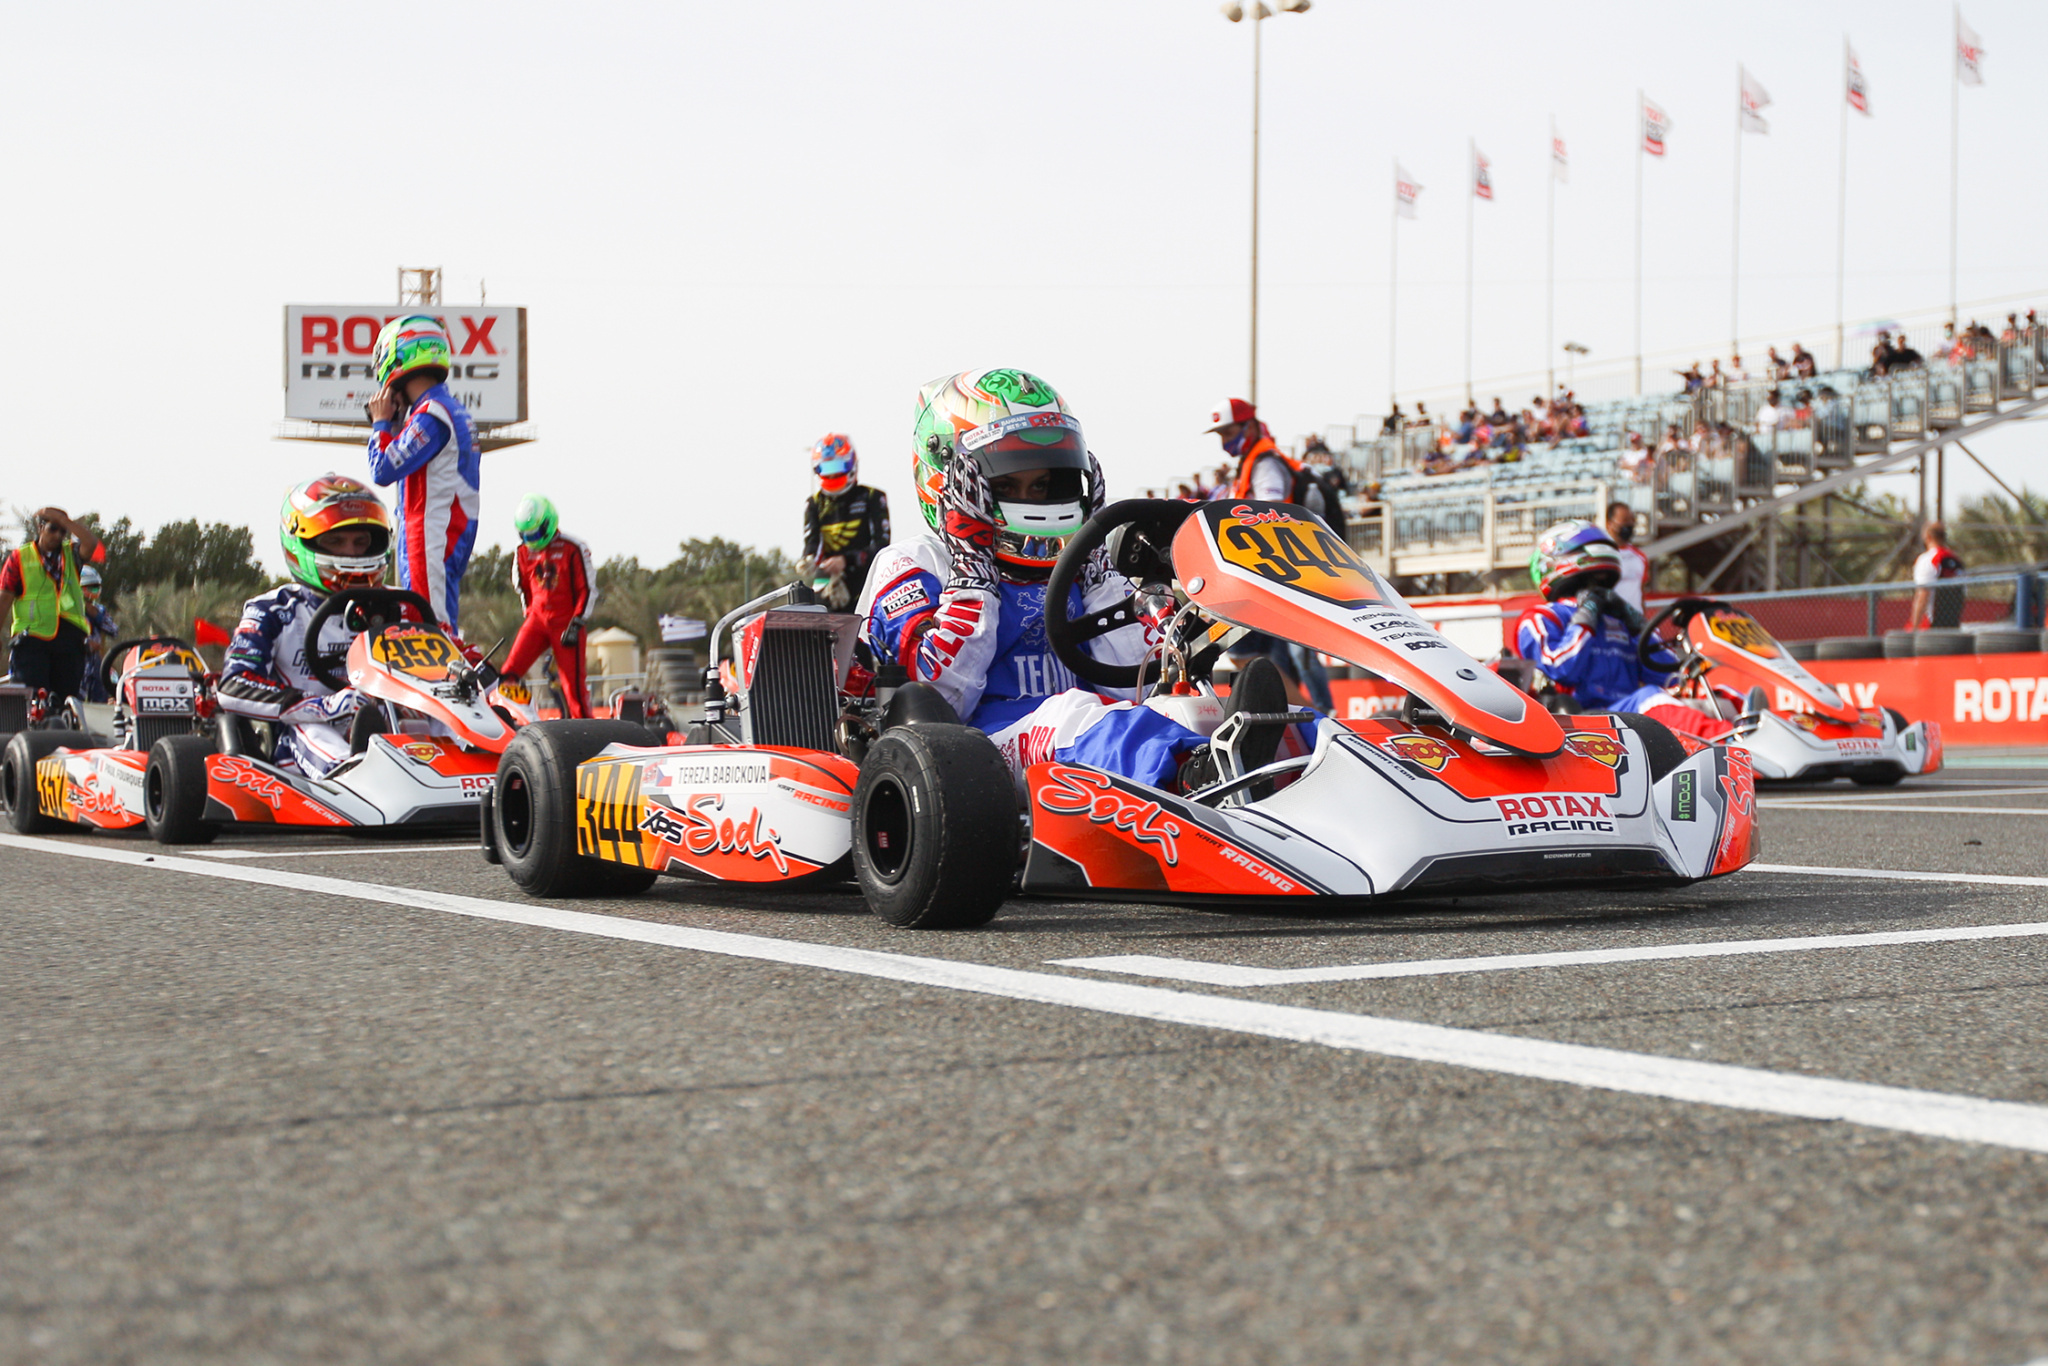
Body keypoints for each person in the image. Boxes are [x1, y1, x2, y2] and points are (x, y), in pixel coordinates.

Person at [858, 368, 1286, 793]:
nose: (1033, 499)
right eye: (1007, 484)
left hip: (1095, 739)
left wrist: (1099, 572)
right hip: (976, 754)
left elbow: (1130, 682)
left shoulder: (1073, 561)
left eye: (1043, 483)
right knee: (1068, 715)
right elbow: (939, 702)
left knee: (1195, 710)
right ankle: (1198, 775)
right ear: (954, 480)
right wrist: (974, 576)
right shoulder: (915, 563)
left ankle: (1315, 759)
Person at [218, 475, 395, 778]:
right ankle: (357, 775)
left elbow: (458, 660)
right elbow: (234, 686)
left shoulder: (401, 605)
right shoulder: (273, 610)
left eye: (361, 542)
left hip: (394, 726)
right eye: (336, 541)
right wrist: (323, 706)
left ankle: (484, 773)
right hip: (302, 737)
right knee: (312, 729)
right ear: (301, 543)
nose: (351, 554)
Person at [365, 314, 481, 634]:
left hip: (431, 530)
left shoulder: (432, 413)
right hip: (443, 527)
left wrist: (381, 424)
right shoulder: (448, 409)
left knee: (429, 627)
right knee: (428, 620)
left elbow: (383, 468)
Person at [1514, 520, 1676, 713]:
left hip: (1631, 722)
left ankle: (1719, 738)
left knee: (1701, 703)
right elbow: (1560, 669)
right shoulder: (1541, 617)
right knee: (1652, 699)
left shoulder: (1619, 619)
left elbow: (1671, 677)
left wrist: (1639, 627)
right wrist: (1585, 617)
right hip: (1580, 727)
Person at [504, 495, 597, 718]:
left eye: (534, 533)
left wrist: (577, 622)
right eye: (525, 535)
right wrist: (529, 616)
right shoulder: (522, 552)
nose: (531, 540)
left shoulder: (573, 548)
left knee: (572, 688)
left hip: (566, 622)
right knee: (507, 676)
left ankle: (588, 735)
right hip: (537, 620)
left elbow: (587, 589)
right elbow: (523, 589)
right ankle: (511, 721)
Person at [0, 507, 105, 707]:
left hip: (69, 640)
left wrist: (65, 520)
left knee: (65, 703)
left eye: (62, 531)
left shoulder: (71, 553)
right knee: (34, 702)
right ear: (41, 528)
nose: (58, 535)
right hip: (32, 639)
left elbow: (91, 543)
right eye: (53, 528)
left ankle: (62, 736)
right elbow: (4, 598)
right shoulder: (19, 558)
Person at [800, 434, 891, 612]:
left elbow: (881, 547)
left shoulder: (872, 497)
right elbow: (812, 544)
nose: (832, 474)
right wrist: (810, 560)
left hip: (865, 582)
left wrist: (845, 560)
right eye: (826, 468)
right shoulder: (814, 503)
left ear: (851, 465)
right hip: (826, 583)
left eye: (837, 466)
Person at [1205, 398, 1325, 517]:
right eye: (1221, 436)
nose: (1224, 441)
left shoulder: (1266, 464)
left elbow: (1270, 515)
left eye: (1228, 433)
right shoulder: (1250, 461)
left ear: (1250, 427)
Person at [1909, 521, 1964, 630]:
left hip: (1931, 624)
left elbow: (1923, 594)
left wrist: (1914, 626)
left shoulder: (1928, 559)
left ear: (1927, 537)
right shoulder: (1956, 560)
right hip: (1953, 623)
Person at [77, 566, 119, 703]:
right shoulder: (71, 610)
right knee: (77, 699)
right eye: (90, 588)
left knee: (100, 700)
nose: (94, 592)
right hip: (78, 661)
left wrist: (96, 615)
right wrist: (85, 643)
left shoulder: (100, 610)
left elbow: (114, 630)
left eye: (96, 588)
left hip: (97, 662)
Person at [1605, 502, 1649, 615]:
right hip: (1609, 622)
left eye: (1631, 520)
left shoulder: (1640, 557)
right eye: (1624, 520)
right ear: (1609, 524)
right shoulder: (1601, 555)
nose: (1629, 524)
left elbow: (1641, 593)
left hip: (1635, 624)